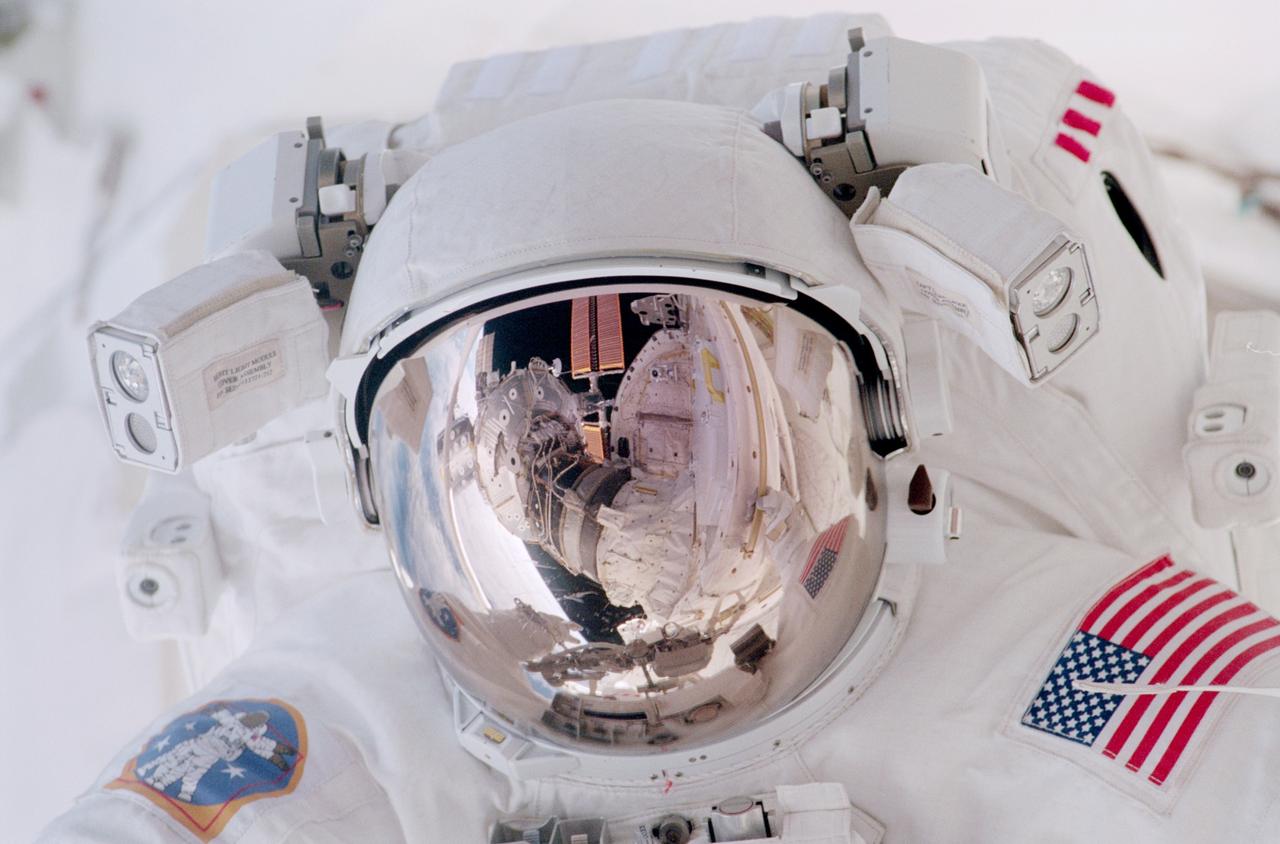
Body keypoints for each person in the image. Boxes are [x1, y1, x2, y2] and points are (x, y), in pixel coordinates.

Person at [40, 15, 1280, 843]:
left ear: (872, 418)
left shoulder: (1010, 649)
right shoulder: (375, 686)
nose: (635, 427)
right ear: (389, 499)